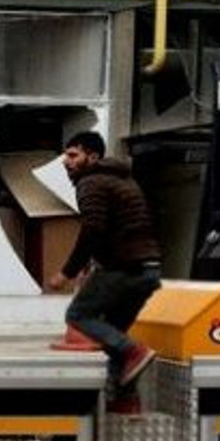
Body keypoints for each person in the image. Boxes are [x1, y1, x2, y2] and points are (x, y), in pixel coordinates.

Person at [46, 131, 161, 390]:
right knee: (113, 335)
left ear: (93, 156)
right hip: (148, 269)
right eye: (66, 155)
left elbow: (93, 229)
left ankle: (135, 352)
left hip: (124, 268)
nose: (66, 161)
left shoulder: (91, 182)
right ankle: (123, 400)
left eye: (73, 155)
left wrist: (67, 272)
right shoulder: (121, 179)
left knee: (78, 315)